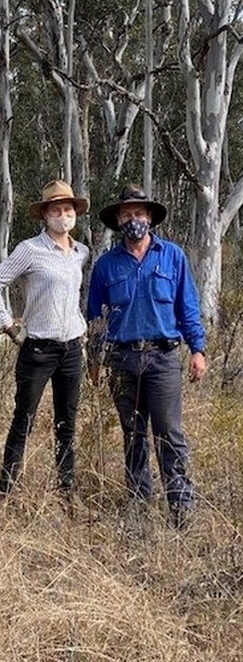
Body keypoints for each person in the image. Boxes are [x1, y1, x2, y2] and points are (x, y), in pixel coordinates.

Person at [86, 185, 206, 528]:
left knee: (169, 434)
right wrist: (94, 360)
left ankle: (181, 511)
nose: (134, 220)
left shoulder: (173, 256)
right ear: (118, 220)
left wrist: (197, 349)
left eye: (139, 214)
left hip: (163, 359)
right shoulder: (105, 266)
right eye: (127, 215)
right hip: (122, 361)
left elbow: (188, 307)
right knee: (133, 434)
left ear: (150, 218)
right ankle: (138, 507)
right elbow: (95, 316)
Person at [0, 180, 90, 498]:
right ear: (45, 215)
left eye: (67, 209)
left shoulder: (81, 252)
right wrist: (9, 325)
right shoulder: (30, 250)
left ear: (74, 213)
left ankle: (66, 490)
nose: (62, 215)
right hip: (37, 348)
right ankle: (7, 490)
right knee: (23, 417)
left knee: (67, 420)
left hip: (71, 349)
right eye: (56, 210)